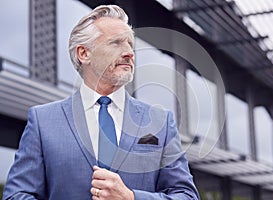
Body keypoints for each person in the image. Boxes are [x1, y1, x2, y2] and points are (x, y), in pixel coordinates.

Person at [3, 4, 200, 200]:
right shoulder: (42, 121)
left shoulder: (161, 122)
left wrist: (131, 198)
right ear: (84, 54)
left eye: (130, 44)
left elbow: (187, 196)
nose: (129, 52)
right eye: (116, 43)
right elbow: (16, 196)